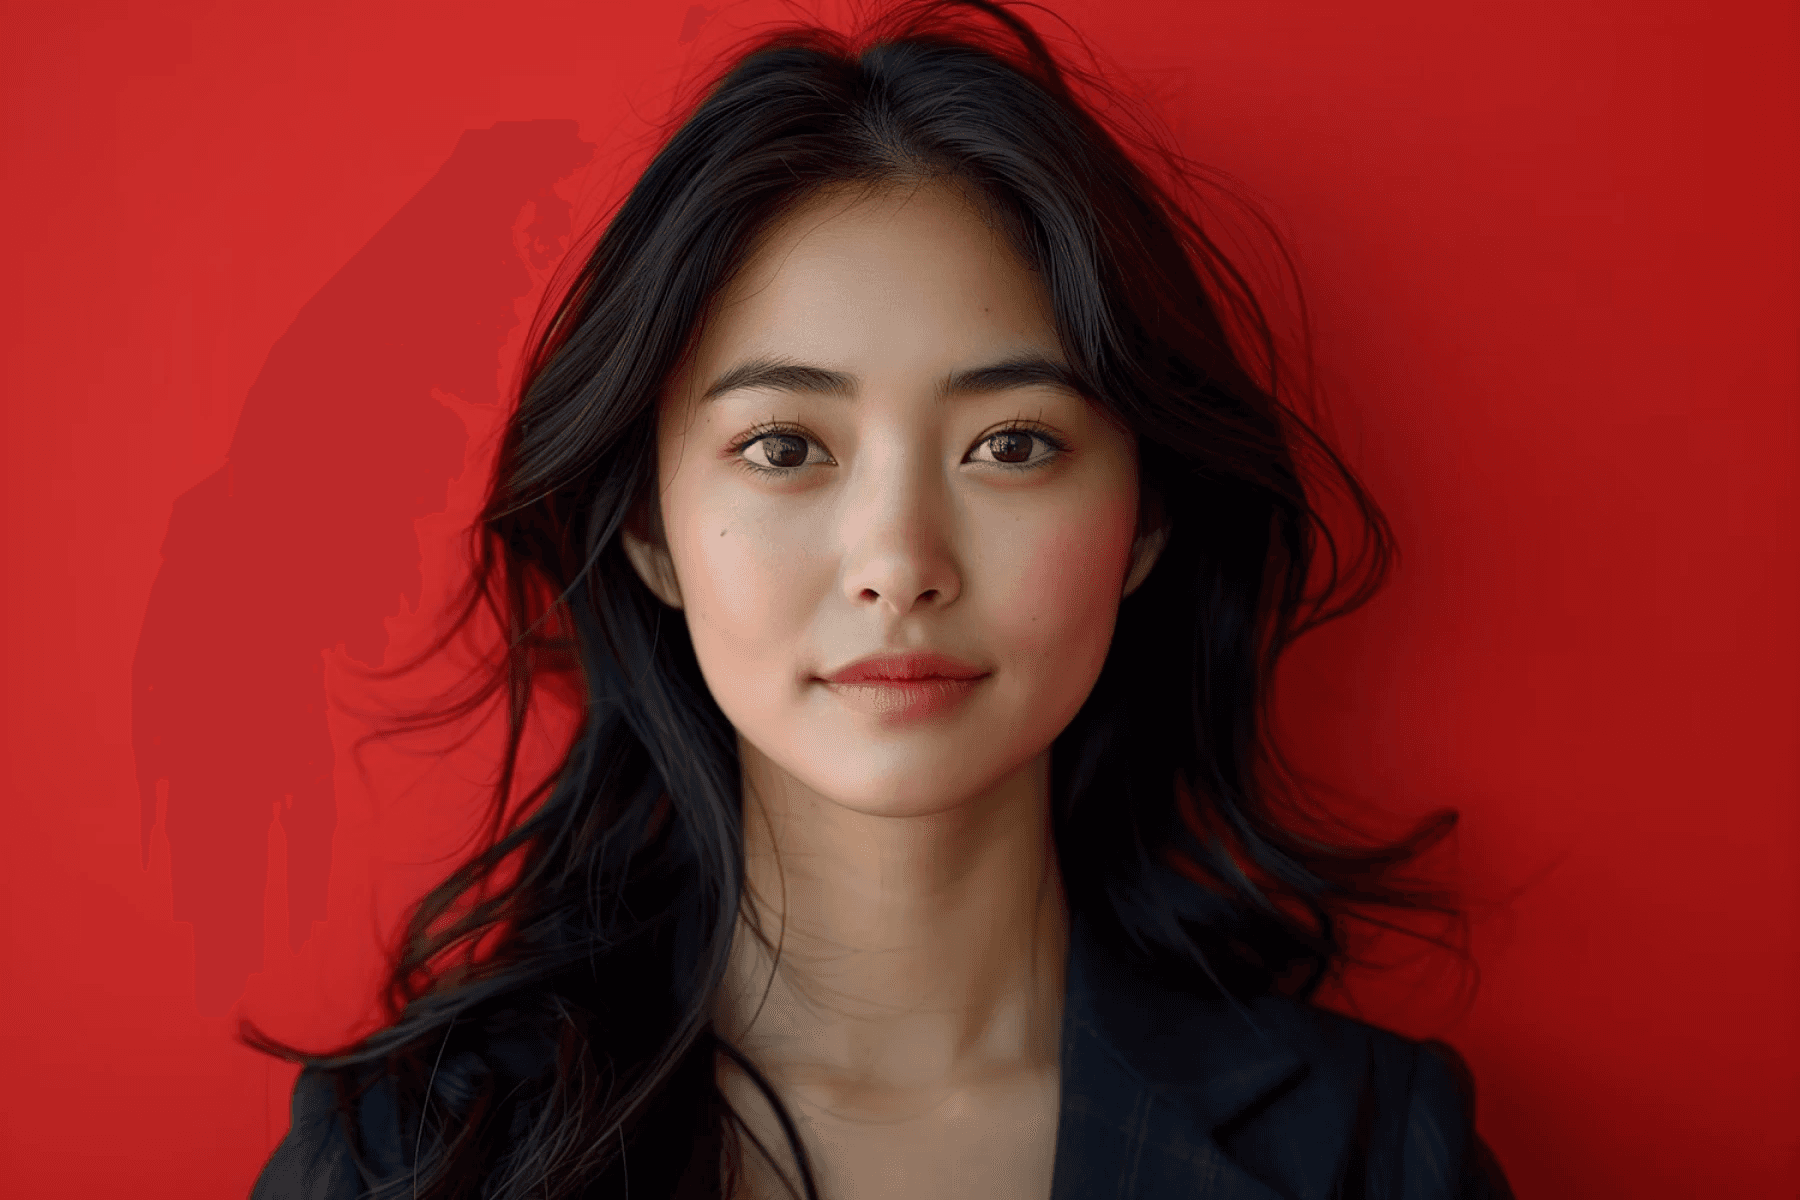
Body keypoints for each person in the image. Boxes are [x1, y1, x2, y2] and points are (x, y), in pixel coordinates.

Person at [248, 2, 1513, 1196]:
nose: (900, 563)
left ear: (1145, 519)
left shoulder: (1372, 1154)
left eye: (1012, 444)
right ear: (648, 529)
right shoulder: (407, 1156)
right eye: (785, 447)